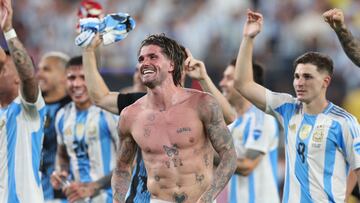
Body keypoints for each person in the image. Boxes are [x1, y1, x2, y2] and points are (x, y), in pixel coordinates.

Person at [234, 9, 360, 203]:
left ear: (325, 81)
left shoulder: (343, 121)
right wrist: (248, 38)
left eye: (308, 77)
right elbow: (243, 84)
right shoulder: (287, 108)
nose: (300, 82)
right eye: (297, 76)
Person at [108, 33, 237, 203]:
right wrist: (117, 200)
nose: (145, 63)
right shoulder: (130, 115)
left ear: (171, 65)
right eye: (141, 59)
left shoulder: (202, 103)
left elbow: (229, 154)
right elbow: (122, 167)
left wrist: (208, 197)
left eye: (153, 57)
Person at [185, 51, 280, 203]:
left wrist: (200, 151)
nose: (222, 83)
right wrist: (203, 78)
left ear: (246, 82)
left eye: (229, 78)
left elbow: (247, 166)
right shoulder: (225, 121)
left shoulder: (262, 119)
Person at [51, 56, 119, 203]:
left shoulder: (109, 113)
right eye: (71, 78)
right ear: (64, 81)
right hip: (78, 199)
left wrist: (94, 186)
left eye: (84, 77)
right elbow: (62, 153)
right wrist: (61, 172)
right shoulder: (62, 116)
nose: (77, 84)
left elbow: (129, 163)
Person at [0, 0, 46, 202]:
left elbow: (29, 77)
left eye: (2, 70)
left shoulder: (28, 108)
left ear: (18, 76)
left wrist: (8, 29)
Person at [37, 51, 72, 202]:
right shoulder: (31, 106)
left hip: (64, 193)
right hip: (33, 190)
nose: (39, 74)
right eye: (39, 69)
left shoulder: (74, 108)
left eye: (47, 69)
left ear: (65, 76)